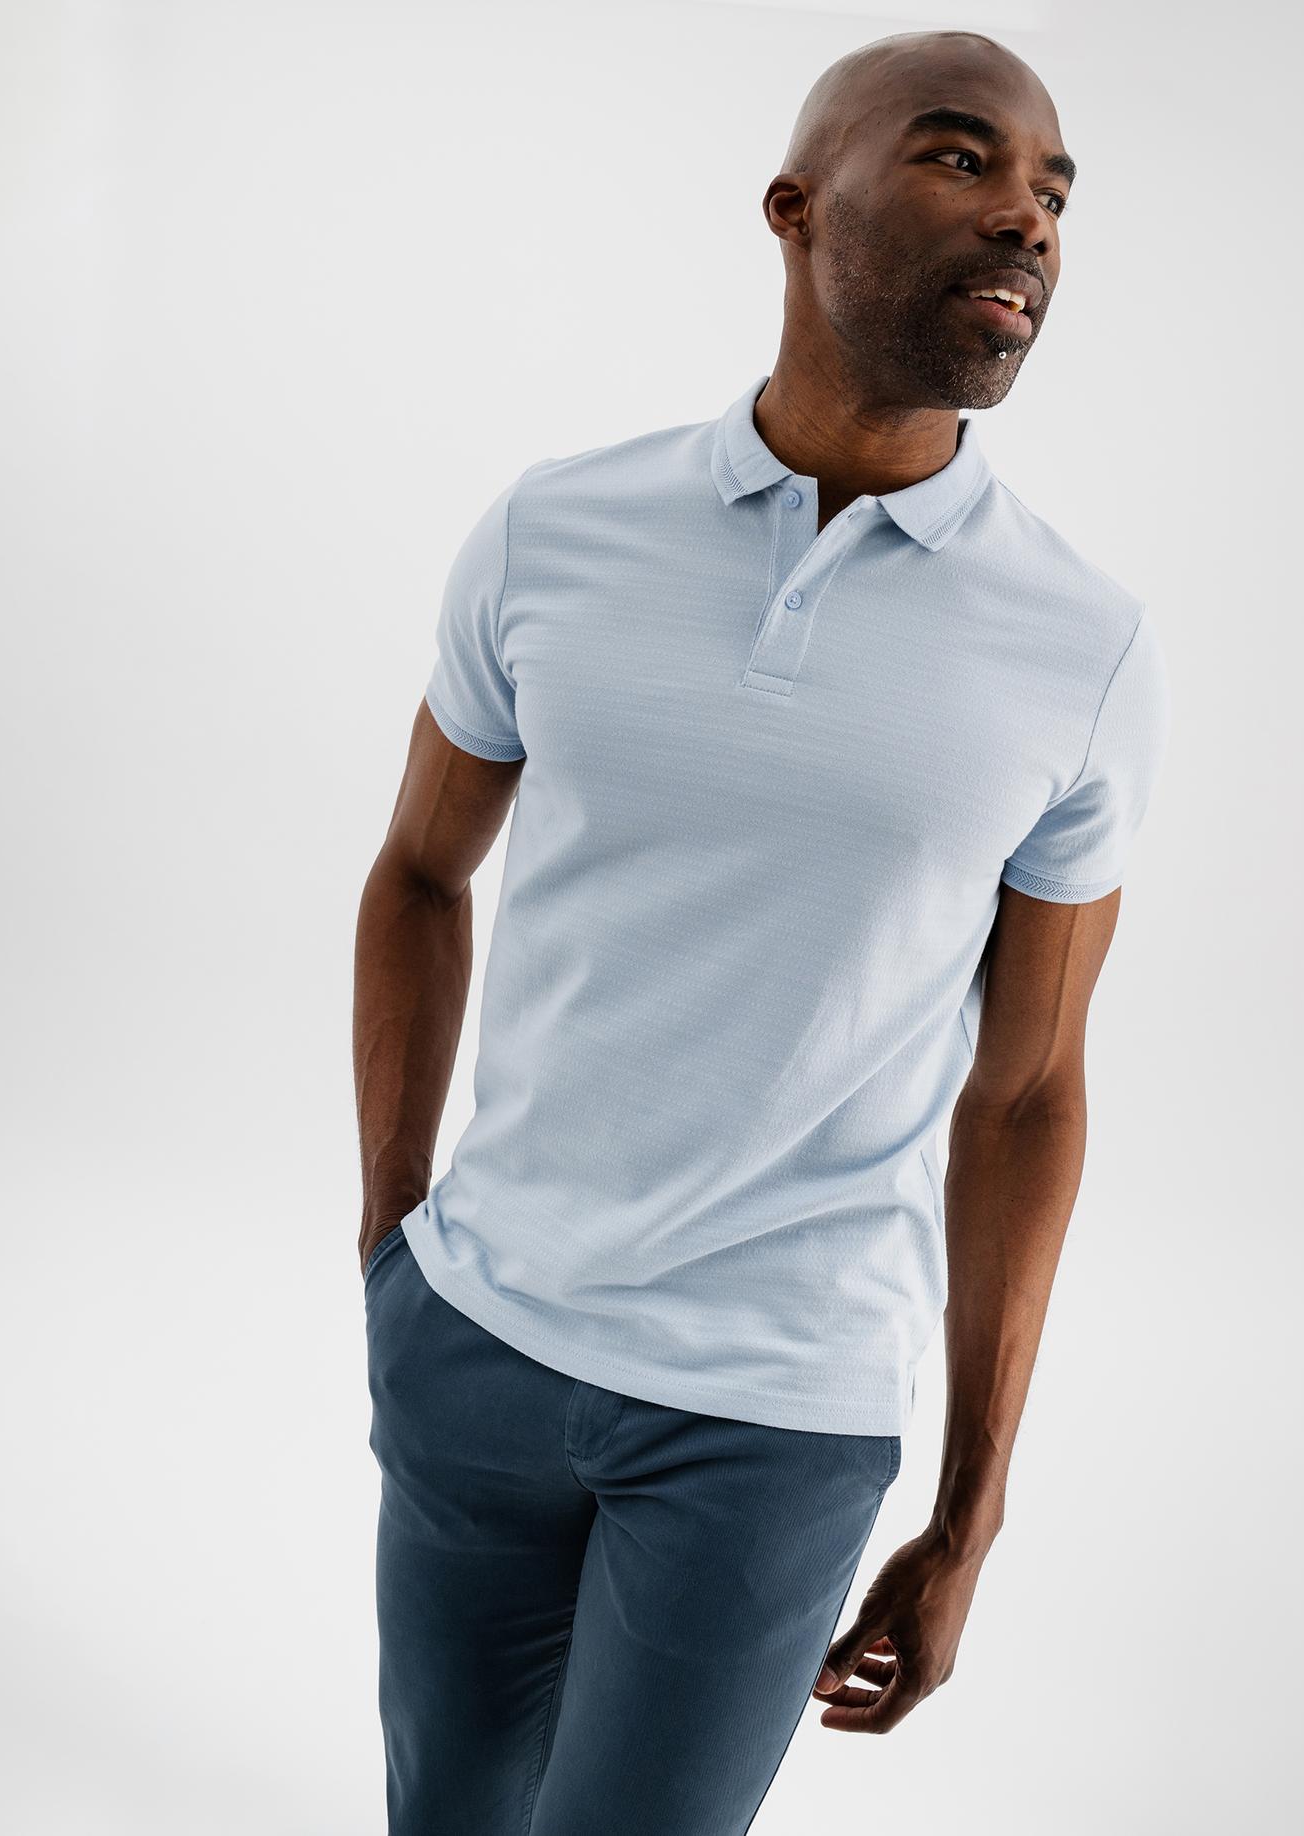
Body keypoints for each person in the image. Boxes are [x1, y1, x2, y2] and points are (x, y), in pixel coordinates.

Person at [352, 24, 1170, 1834]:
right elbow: (417, 872)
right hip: (473, 1342)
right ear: (795, 208)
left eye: (1053, 192)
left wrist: (970, 1512)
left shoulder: (1081, 648)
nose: (1026, 218)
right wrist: (390, 1243)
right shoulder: (555, 530)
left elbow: (1027, 1090)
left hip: (774, 1419)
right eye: (960, 158)